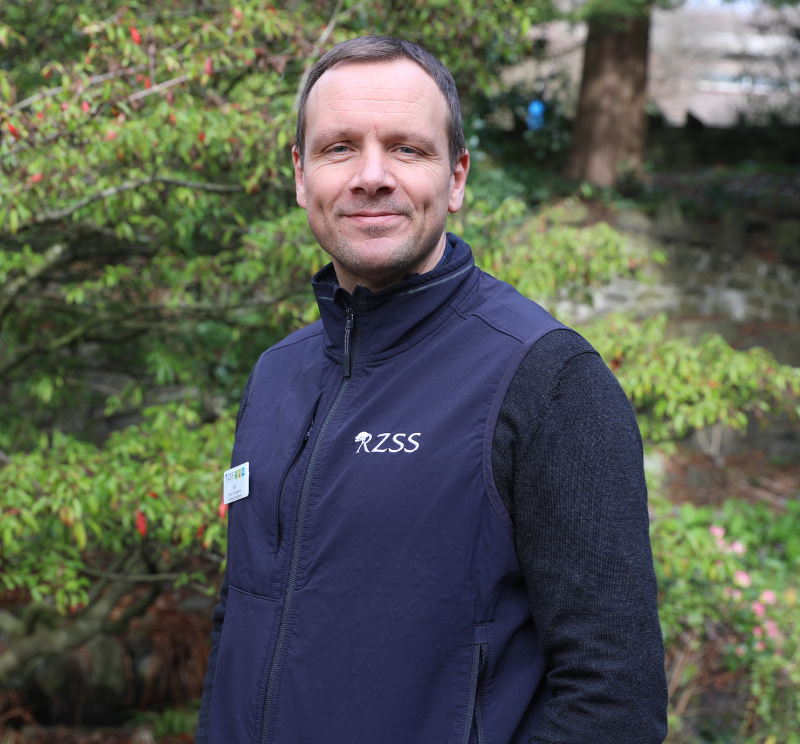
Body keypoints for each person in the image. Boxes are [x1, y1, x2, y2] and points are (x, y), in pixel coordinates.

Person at [196, 36, 668, 744]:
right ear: (301, 176)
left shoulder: (546, 382)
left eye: (408, 149)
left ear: (456, 178)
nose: (372, 176)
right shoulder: (277, 375)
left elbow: (615, 698)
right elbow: (244, 622)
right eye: (339, 148)